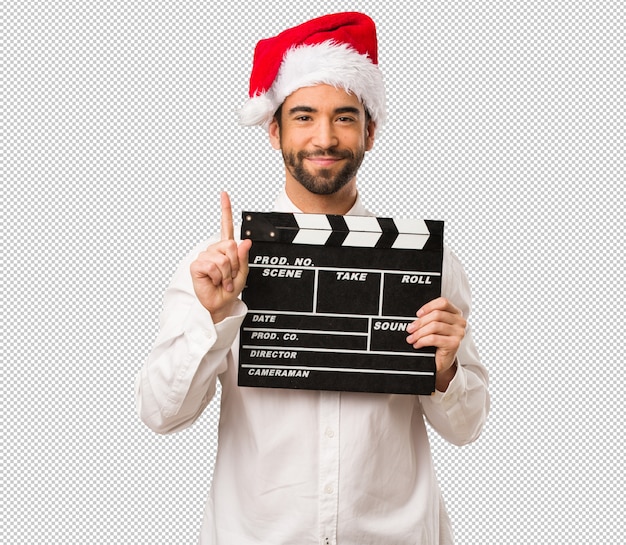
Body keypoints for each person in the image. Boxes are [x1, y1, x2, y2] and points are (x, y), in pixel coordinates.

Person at [135, 12, 490, 545]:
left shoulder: (428, 265)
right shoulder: (216, 267)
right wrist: (212, 318)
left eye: (345, 117)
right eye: (304, 116)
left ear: (370, 132)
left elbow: (467, 427)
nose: (324, 138)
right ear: (274, 129)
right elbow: (160, 414)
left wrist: (444, 370)